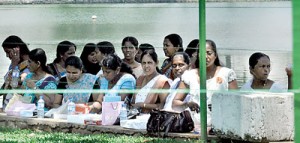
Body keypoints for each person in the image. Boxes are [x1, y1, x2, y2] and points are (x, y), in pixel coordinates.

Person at [206, 39, 238, 107]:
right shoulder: (191, 75)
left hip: (221, 114)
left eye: (209, 53)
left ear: (215, 55)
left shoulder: (227, 73)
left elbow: (235, 100)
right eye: (202, 53)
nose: (205, 57)